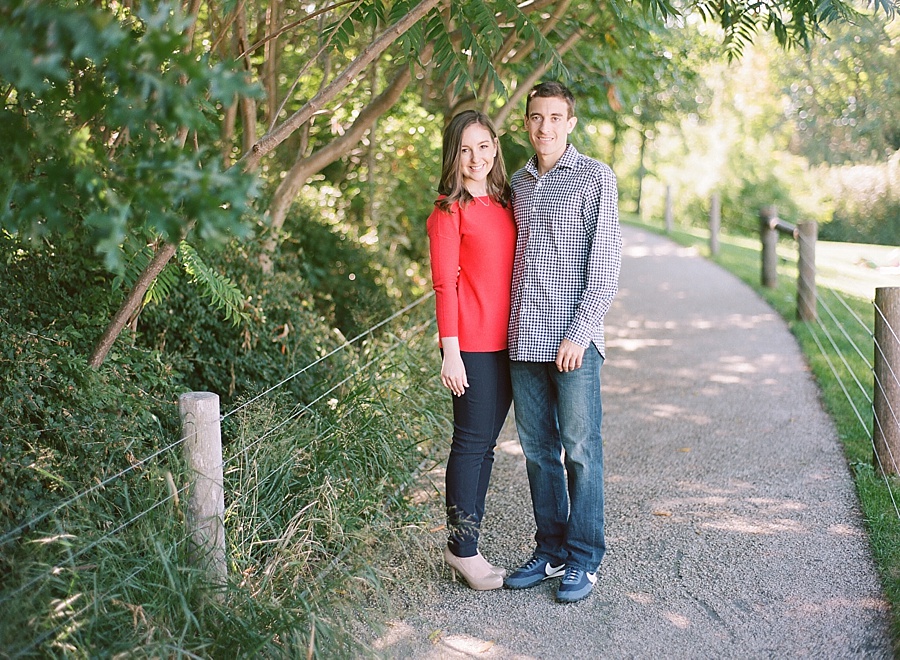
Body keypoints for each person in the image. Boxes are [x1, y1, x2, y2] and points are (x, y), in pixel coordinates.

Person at [503, 81, 622, 603]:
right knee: (537, 452)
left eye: (555, 117)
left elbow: (605, 264)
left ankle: (584, 557)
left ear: (570, 123)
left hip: (573, 343)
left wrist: (580, 332)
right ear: (526, 123)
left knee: (580, 450)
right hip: (523, 341)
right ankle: (549, 550)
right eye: (535, 117)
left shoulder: (597, 178)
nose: (544, 127)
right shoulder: (518, 183)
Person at [426, 110, 516, 591]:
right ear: (453, 155)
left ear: (496, 148)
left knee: (486, 448)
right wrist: (451, 351)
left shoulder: (505, 203)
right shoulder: (447, 212)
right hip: (472, 346)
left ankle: (468, 546)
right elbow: (446, 285)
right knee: (470, 444)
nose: (475, 158)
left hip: (511, 343)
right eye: (464, 149)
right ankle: (462, 550)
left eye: (483, 147)